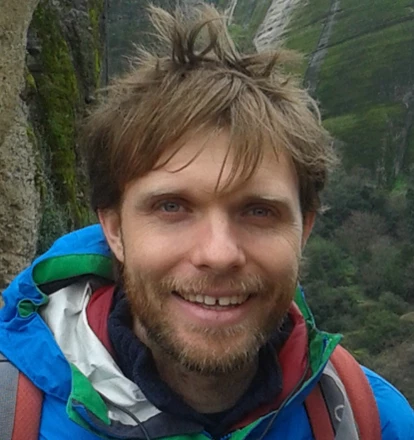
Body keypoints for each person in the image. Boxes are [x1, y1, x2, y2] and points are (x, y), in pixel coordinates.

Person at [0, 4, 413, 440]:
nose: (218, 254)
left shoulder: (373, 422)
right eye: (172, 207)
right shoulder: (11, 411)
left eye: (258, 211)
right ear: (114, 230)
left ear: (303, 230)